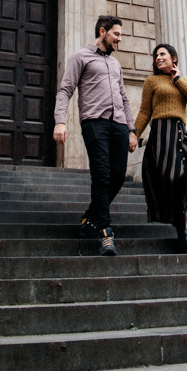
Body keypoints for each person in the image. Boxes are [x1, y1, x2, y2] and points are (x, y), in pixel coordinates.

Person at [53, 15, 137, 256]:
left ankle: (91, 217)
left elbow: (124, 98)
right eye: (116, 34)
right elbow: (66, 89)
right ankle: (105, 232)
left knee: (118, 176)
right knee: (101, 174)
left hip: (119, 125)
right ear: (103, 31)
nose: (119, 39)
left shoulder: (115, 64)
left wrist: (131, 130)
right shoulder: (80, 57)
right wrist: (60, 121)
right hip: (94, 123)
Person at [133, 43, 187, 254]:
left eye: (163, 54)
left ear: (173, 58)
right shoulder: (152, 81)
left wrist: (177, 79)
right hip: (161, 134)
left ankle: (178, 214)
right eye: (156, 55)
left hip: (179, 132)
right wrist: (133, 134)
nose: (158, 58)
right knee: (176, 178)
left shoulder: (181, 81)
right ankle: (182, 232)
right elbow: (144, 112)